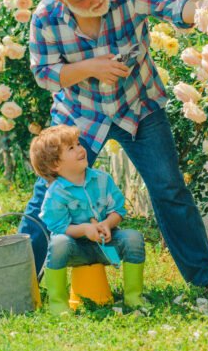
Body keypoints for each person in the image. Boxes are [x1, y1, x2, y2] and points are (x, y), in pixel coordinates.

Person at [18, 0, 208, 296]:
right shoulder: (46, 17)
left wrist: (205, 8)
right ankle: (21, 286)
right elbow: (44, 74)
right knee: (46, 195)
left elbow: (172, 6)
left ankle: (207, 279)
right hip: (79, 116)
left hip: (138, 106)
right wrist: (91, 67)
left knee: (169, 189)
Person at [30, 125, 145, 315]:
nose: (80, 149)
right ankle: (58, 303)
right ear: (55, 165)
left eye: (77, 144)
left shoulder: (102, 179)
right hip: (76, 249)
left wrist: (108, 224)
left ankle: (134, 297)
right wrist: (84, 230)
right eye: (71, 148)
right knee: (58, 242)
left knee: (133, 238)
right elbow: (59, 227)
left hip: (106, 244)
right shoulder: (56, 193)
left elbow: (118, 209)